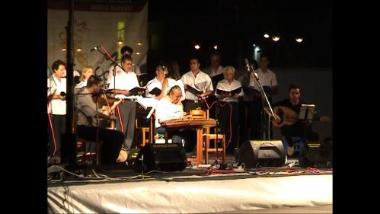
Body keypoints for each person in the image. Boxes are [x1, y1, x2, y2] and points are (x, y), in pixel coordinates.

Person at [76, 75, 124, 165]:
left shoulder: (88, 95)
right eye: (100, 86)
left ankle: (105, 162)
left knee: (112, 136)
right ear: (94, 86)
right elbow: (93, 113)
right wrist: (109, 117)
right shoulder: (84, 96)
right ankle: (108, 163)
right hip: (83, 129)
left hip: (88, 128)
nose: (101, 88)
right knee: (118, 136)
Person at [272, 84, 319, 156]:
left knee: (313, 134)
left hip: (300, 129)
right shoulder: (283, 103)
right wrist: (275, 116)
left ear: (299, 94)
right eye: (292, 93)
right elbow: (268, 108)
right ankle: (290, 145)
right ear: (289, 94)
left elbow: (309, 120)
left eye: (296, 93)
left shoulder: (304, 105)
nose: (294, 95)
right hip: (288, 130)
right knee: (285, 126)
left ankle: (309, 154)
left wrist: (309, 121)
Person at [106, 54, 139, 155]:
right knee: (122, 127)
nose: (130, 66)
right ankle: (118, 151)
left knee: (130, 128)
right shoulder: (117, 75)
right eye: (128, 64)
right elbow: (111, 90)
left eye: (131, 64)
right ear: (122, 64)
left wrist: (137, 91)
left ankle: (127, 152)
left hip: (132, 102)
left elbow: (136, 88)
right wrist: (124, 92)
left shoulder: (133, 75)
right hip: (122, 102)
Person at [215, 66, 244, 154]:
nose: (229, 76)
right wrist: (222, 95)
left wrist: (237, 96)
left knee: (233, 126)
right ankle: (222, 148)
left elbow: (241, 93)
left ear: (234, 74)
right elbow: (216, 94)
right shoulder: (220, 83)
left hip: (234, 106)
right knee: (223, 126)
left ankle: (233, 147)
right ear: (224, 74)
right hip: (224, 106)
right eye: (227, 74)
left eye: (231, 74)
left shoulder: (238, 83)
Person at [249, 55, 278, 139]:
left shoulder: (272, 74)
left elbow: (275, 89)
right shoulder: (254, 73)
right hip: (257, 99)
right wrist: (257, 93)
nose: (263, 63)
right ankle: (255, 141)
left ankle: (270, 140)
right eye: (261, 61)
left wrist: (269, 90)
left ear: (268, 62)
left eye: (265, 61)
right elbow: (251, 87)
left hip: (267, 99)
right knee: (255, 122)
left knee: (269, 121)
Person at [47, 60, 67, 163]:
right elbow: (48, 95)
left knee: (64, 134)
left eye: (64, 69)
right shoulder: (49, 80)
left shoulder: (65, 81)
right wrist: (58, 96)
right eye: (61, 69)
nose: (63, 71)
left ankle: (63, 156)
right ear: (55, 70)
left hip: (64, 111)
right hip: (53, 112)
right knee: (55, 136)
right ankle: (55, 156)